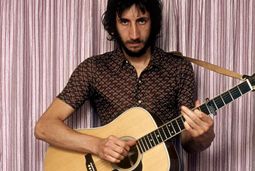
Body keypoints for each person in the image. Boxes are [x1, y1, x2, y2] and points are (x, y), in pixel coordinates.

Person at [34, 0, 215, 169]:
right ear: (114, 24)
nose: (134, 34)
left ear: (154, 22)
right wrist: (98, 145)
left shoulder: (178, 68)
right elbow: (44, 127)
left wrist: (203, 137)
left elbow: (188, 143)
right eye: (125, 22)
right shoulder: (94, 68)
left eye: (142, 21)